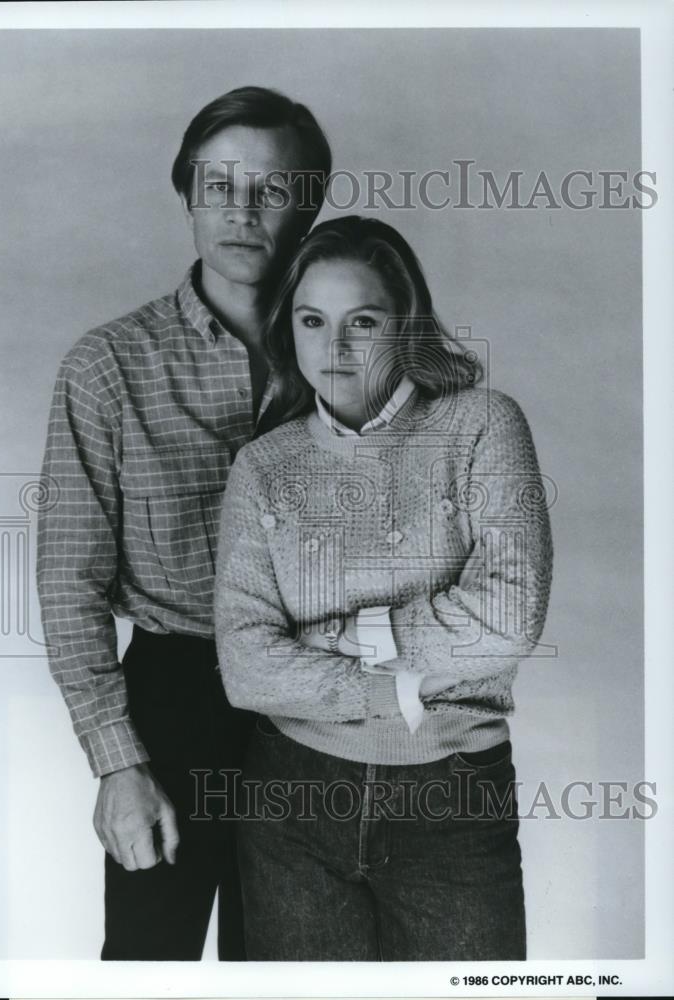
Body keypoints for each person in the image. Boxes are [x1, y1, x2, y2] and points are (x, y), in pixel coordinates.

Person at [36, 86, 331, 960]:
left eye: (271, 190)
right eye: (219, 186)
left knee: (294, 968)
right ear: (187, 195)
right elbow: (68, 580)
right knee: (144, 966)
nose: (242, 212)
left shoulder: (350, 353)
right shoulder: (108, 366)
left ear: (308, 202)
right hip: (175, 695)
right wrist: (118, 764)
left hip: (317, 700)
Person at [214, 215, 554, 960]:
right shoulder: (264, 466)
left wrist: (346, 640)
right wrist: (407, 685)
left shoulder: (483, 427)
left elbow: (510, 616)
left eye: (361, 322)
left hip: (451, 796)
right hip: (291, 800)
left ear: (407, 325)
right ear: (289, 329)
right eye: (312, 320)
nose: (333, 349)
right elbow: (246, 666)